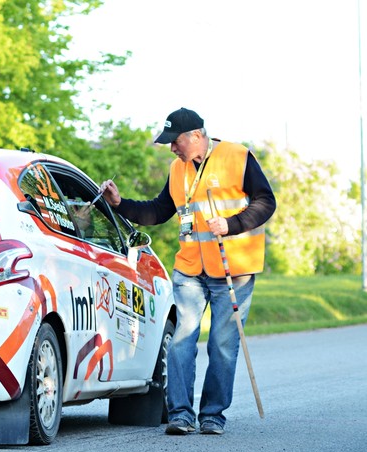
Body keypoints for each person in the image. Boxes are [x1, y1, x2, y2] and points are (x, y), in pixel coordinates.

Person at [98, 108, 276, 435]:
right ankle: (180, 413)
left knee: (222, 345)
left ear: (196, 135)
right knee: (181, 340)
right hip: (191, 268)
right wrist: (120, 203)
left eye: (175, 141)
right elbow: (158, 210)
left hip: (232, 270)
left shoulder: (237, 157)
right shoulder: (176, 170)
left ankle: (212, 415)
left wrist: (232, 224)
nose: (171, 148)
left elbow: (267, 202)